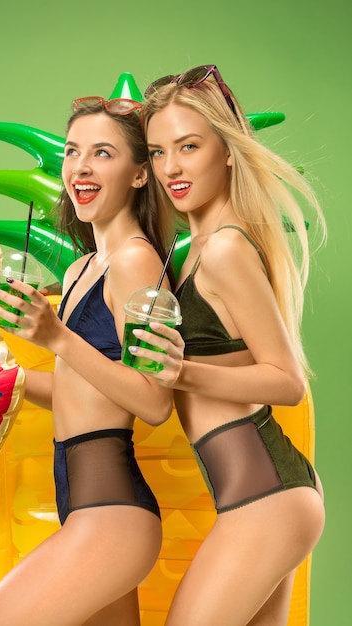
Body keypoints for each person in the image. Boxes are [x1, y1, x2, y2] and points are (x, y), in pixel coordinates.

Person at [0, 96, 175, 626]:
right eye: (73, 151)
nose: (81, 166)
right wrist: (0, 375)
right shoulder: (80, 272)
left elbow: (156, 401)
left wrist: (56, 338)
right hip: (86, 511)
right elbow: (79, 392)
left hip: (112, 517)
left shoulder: (136, 259)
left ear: (141, 174)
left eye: (103, 153)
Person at [127, 65, 326, 626]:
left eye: (189, 146)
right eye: (159, 151)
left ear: (229, 150)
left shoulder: (224, 250)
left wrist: (181, 372)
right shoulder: (195, 246)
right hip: (260, 494)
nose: (172, 168)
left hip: (268, 499)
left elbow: (286, 382)